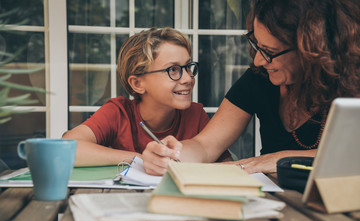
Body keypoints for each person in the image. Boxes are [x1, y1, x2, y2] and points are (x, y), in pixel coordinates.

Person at [141, 0, 360, 175]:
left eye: (270, 51)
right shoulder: (259, 78)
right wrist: (172, 154)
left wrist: (271, 160)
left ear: (313, 49)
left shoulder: (352, 84)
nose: (258, 61)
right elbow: (206, 145)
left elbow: (352, 156)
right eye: (257, 46)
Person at [63, 27, 231, 166]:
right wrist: (141, 159)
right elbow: (67, 148)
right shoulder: (118, 113)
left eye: (188, 67)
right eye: (173, 70)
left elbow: (226, 166)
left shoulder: (195, 115)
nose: (188, 78)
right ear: (137, 84)